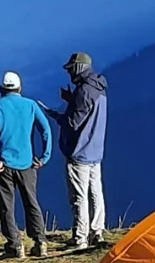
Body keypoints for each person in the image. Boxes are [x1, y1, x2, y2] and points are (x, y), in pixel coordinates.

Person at [0, 70, 54, 259]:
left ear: (1, 89)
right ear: (20, 88)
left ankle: (15, 246)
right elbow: (46, 129)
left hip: (4, 166)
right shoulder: (31, 105)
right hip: (28, 164)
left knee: (7, 206)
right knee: (31, 202)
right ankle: (40, 242)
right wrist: (44, 157)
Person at [46, 51, 109, 251]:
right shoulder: (99, 88)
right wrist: (71, 100)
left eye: (71, 69)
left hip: (80, 151)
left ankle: (80, 238)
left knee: (79, 196)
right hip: (96, 151)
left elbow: (73, 123)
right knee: (96, 192)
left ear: (79, 68)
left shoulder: (83, 91)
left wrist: (55, 115)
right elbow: (87, 111)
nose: (69, 73)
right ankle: (97, 232)